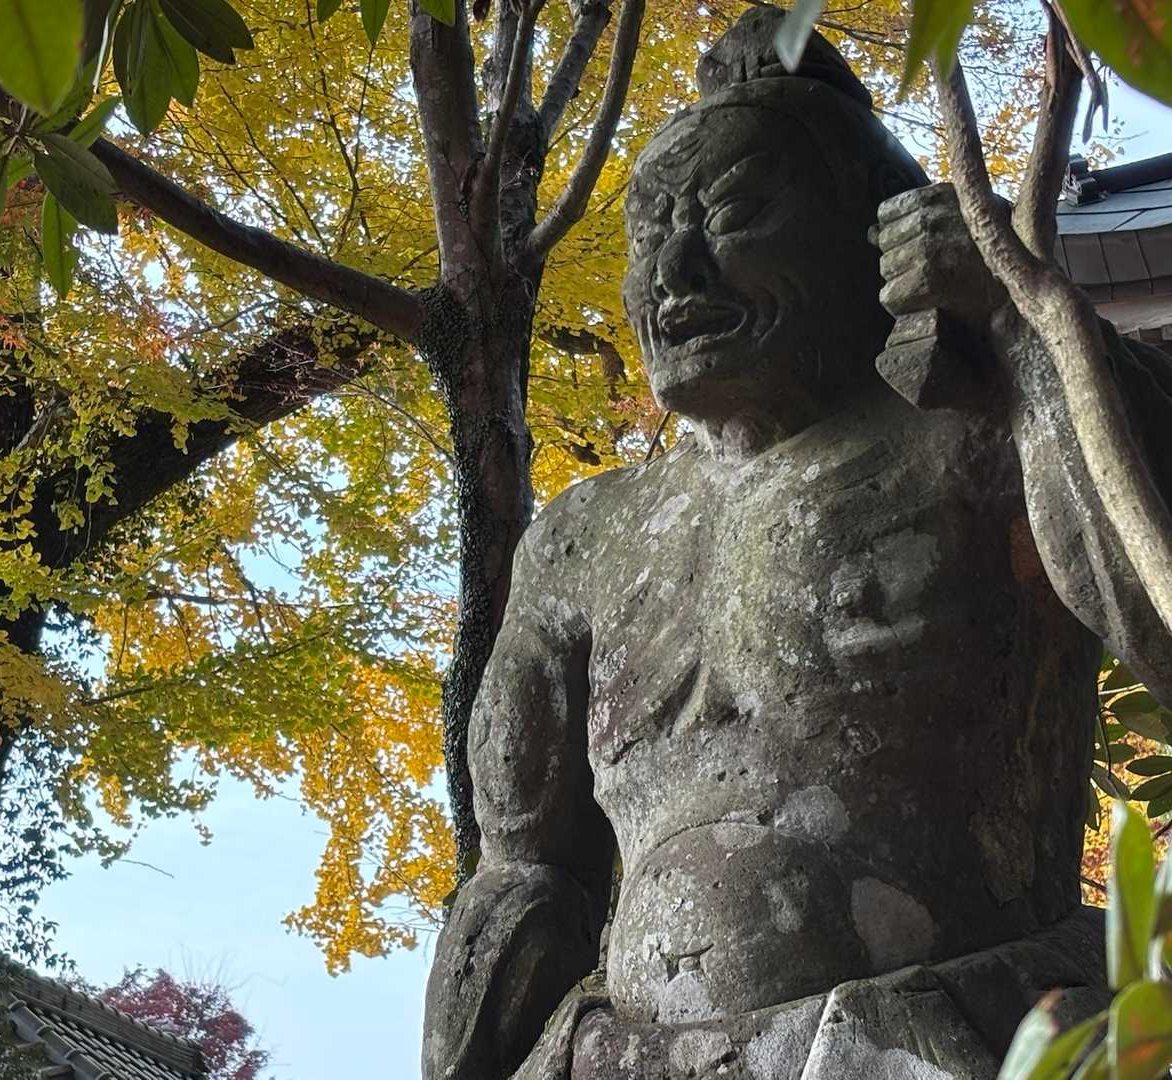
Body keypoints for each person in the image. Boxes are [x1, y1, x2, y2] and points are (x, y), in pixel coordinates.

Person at [422, 10, 1172, 1080]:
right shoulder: (582, 540)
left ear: (876, 229)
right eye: (649, 233)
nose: (675, 270)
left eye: (735, 213)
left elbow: (1156, 607)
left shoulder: (984, 434)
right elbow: (523, 877)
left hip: (944, 1030)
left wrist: (1026, 325)